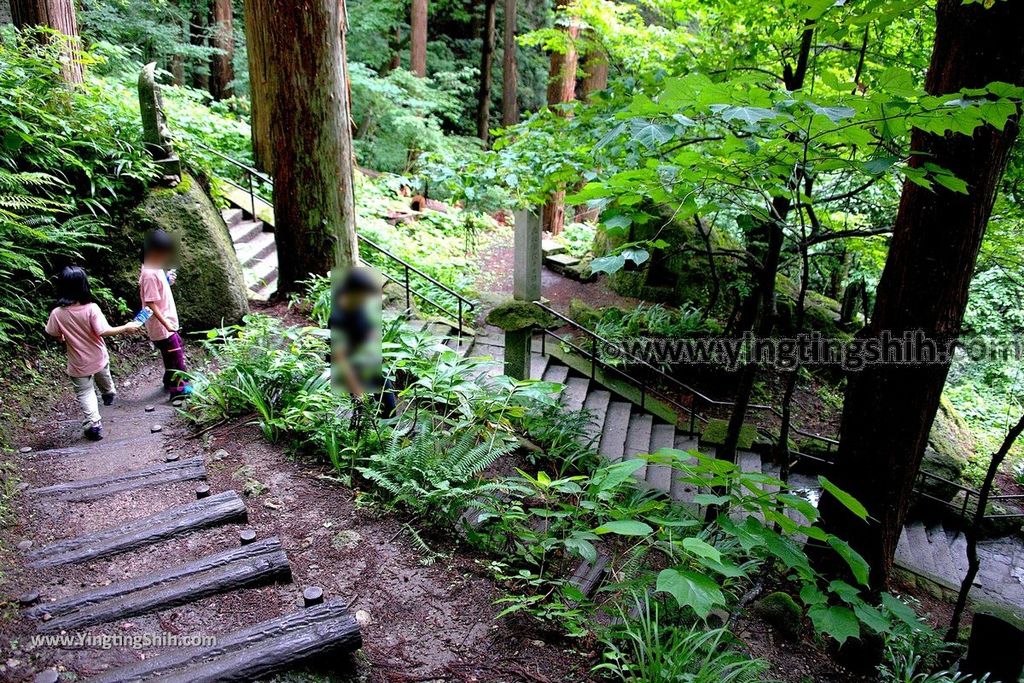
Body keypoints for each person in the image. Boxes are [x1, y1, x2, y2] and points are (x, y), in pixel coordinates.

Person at [45, 266, 144, 441]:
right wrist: (125, 327)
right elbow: (103, 330)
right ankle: (109, 392)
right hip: (97, 356)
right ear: (84, 286)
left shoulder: (57, 314)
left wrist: (62, 336)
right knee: (103, 372)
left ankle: (93, 423)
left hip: (77, 362)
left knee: (85, 392)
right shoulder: (91, 309)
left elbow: (52, 332)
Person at [328, 268, 396, 418]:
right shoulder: (337, 318)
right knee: (363, 413)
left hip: (370, 361)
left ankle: (389, 438)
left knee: (389, 407)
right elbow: (340, 357)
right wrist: (357, 390)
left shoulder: (361, 305)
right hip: (351, 366)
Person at [139, 229, 191, 400]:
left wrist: (167, 280)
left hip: (166, 324)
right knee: (175, 355)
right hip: (163, 327)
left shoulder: (153, 267)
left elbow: (156, 293)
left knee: (172, 352)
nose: (165, 257)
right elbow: (150, 303)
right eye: (162, 253)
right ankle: (178, 390)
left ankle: (169, 381)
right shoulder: (149, 274)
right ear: (153, 251)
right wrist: (166, 324)